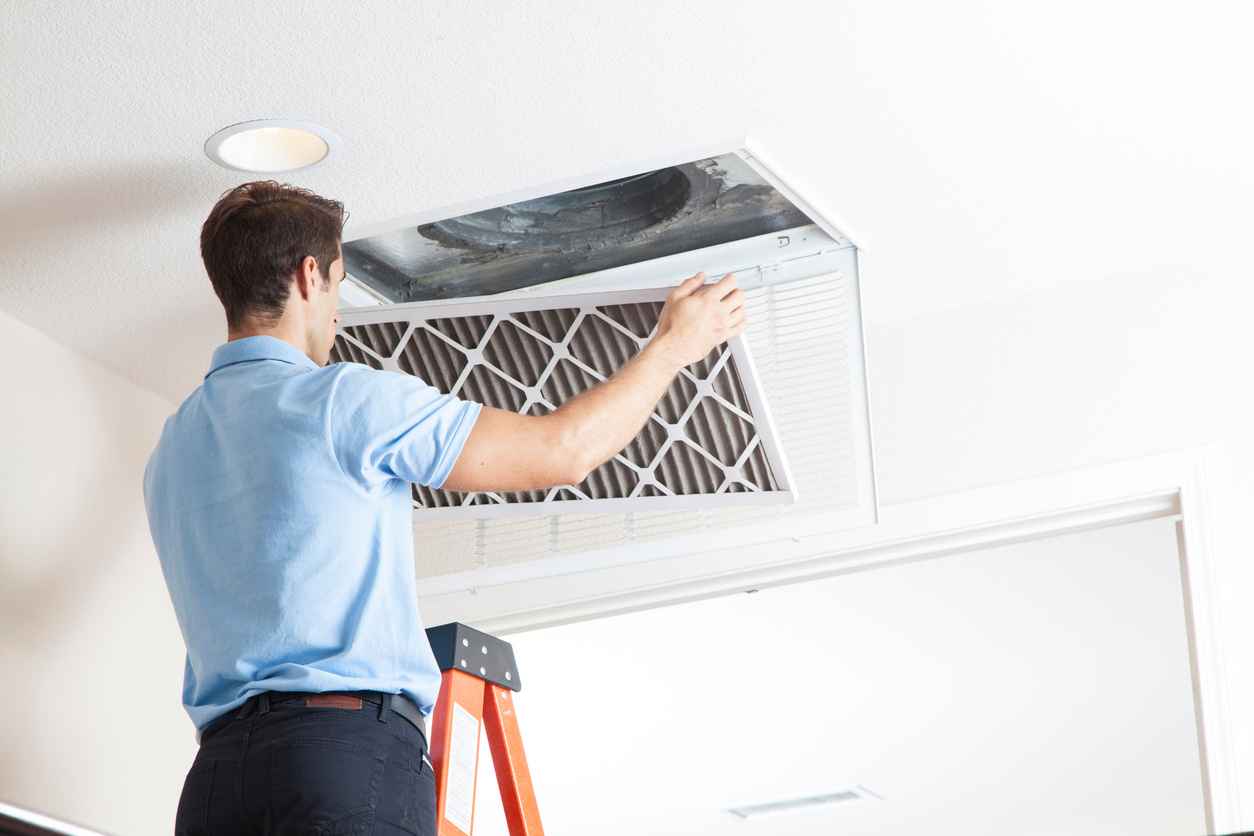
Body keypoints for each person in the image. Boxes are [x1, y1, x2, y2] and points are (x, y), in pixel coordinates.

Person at [143, 180, 746, 835]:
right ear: (309, 275)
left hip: (215, 788)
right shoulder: (345, 400)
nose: (338, 311)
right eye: (340, 283)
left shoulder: (173, 448)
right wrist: (672, 350)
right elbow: (562, 449)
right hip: (336, 759)